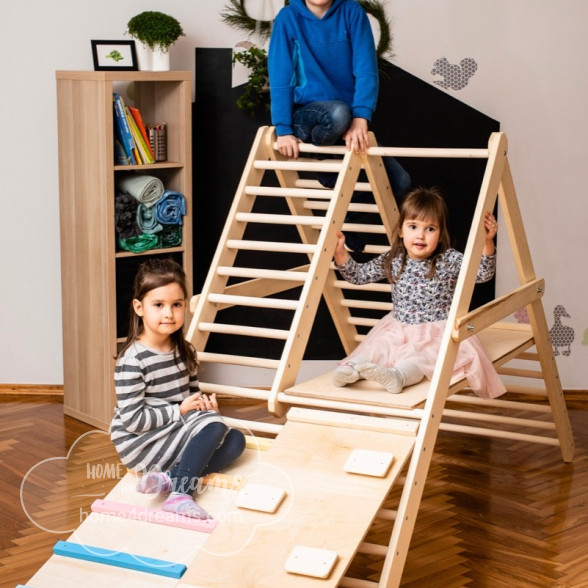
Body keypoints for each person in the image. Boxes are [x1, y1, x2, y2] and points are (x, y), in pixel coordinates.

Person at [332, 187, 506, 399]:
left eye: (430, 229)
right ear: (401, 230)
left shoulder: (447, 259)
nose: (421, 235)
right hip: (397, 326)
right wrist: (340, 252)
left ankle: (398, 377)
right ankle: (351, 369)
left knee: (421, 358)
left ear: (440, 234)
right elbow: (359, 276)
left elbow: (481, 275)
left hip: (435, 330)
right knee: (377, 348)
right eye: (413, 226)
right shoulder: (394, 258)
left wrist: (488, 242)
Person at [268, 0, 411, 250]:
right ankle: (326, 166)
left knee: (400, 182)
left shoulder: (352, 12)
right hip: (307, 116)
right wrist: (283, 129)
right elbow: (280, 74)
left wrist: (361, 118)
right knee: (337, 112)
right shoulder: (288, 18)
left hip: (344, 121)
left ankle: (340, 224)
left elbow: (366, 69)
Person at [110, 258, 245, 519]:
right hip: (141, 442)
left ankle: (170, 477)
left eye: (176, 305)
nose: (168, 313)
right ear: (139, 307)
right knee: (214, 426)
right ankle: (181, 494)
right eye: (158, 305)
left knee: (236, 440)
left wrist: (204, 407)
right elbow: (134, 420)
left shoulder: (185, 351)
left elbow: (190, 398)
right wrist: (183, 412)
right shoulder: (133, 360)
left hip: (173, 431)